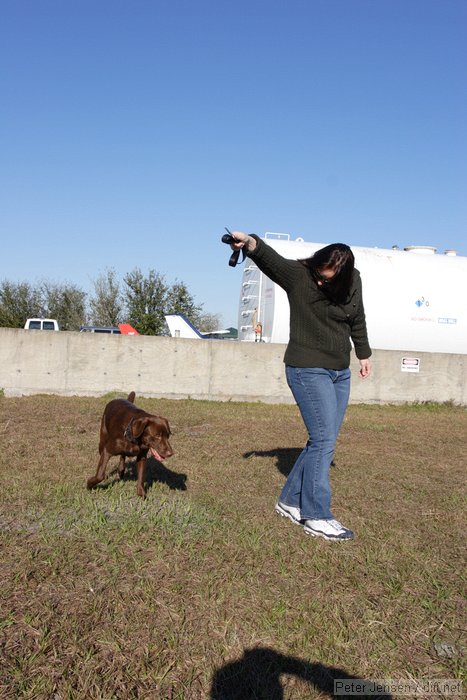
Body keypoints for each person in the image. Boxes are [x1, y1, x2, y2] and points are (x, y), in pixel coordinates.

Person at [228, 232, 372, 541]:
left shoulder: (353, 281)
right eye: (321, 270)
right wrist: (249, 242)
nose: (322, 278)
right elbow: (270, 260)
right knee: (323, 441)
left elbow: (357, 318)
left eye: (329, 275)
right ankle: (317, 515)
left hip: (339, 372)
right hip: (307, 369)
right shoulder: (300, 276)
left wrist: (363, 354)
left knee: (324, 439)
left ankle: (289, 500)